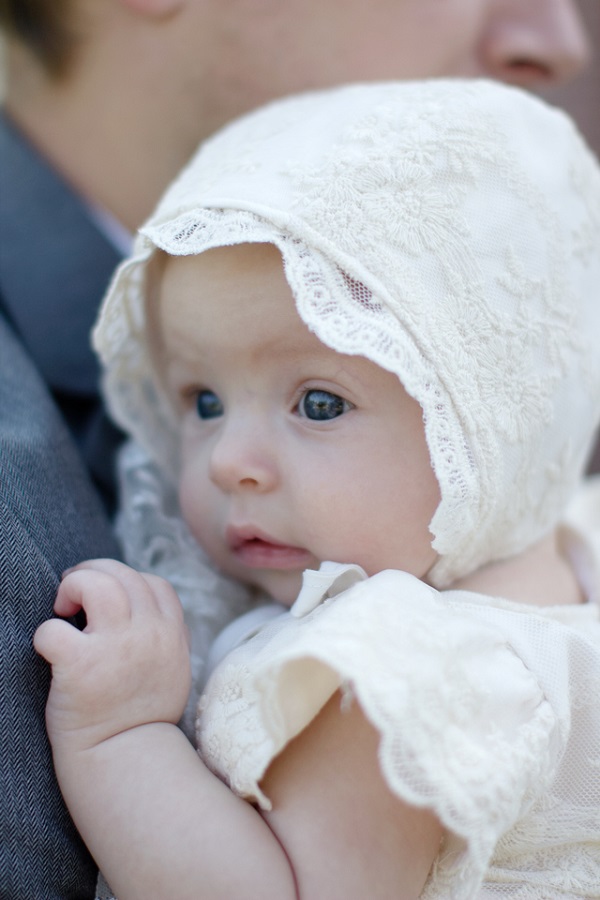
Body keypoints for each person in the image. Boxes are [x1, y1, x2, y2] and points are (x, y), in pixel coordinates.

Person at [1, 3, 594, 896]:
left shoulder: (402, 668)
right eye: (199, 400)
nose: (227, 460)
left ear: (485, 415)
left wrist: (120, 736)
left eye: (319, 403)